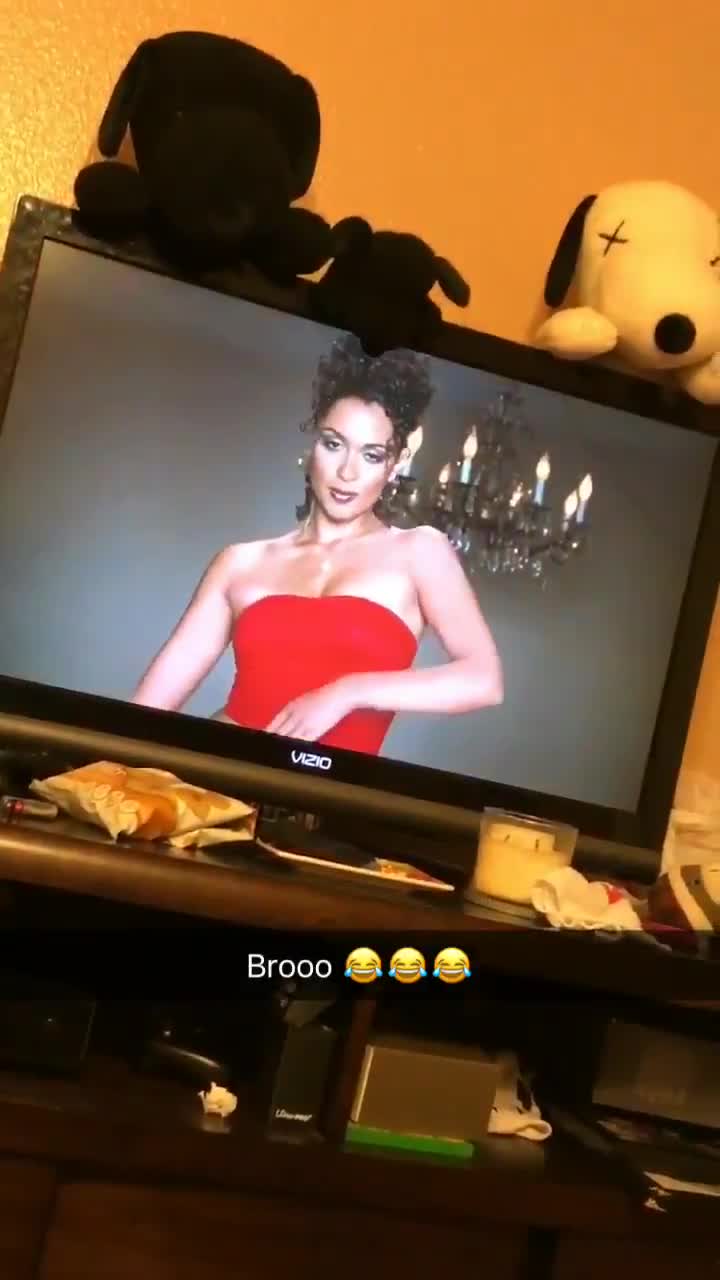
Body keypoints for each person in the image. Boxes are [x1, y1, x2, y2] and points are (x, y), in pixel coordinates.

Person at [132, 335, 503, 755]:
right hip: (221, 775)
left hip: (327, 791)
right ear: (312, 446)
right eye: (333, 444)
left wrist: (349, 691)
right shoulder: (238, 563)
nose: (347, 472)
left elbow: (483, 680)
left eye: (371, 455)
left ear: (395, 465)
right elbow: (145, 712)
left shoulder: (420, 551)